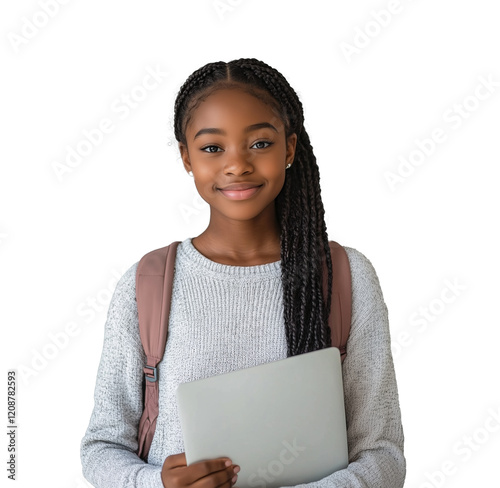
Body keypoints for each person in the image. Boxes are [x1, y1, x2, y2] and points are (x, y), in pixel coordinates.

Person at [80, 57, 406, 488]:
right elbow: (101, 446)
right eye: (213, 148)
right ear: (187, 158)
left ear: (289, 149)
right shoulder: (149, 284)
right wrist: (156, 483)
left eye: (260, 144)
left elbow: (381, 455)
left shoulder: (345, 277)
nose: (237, 165)